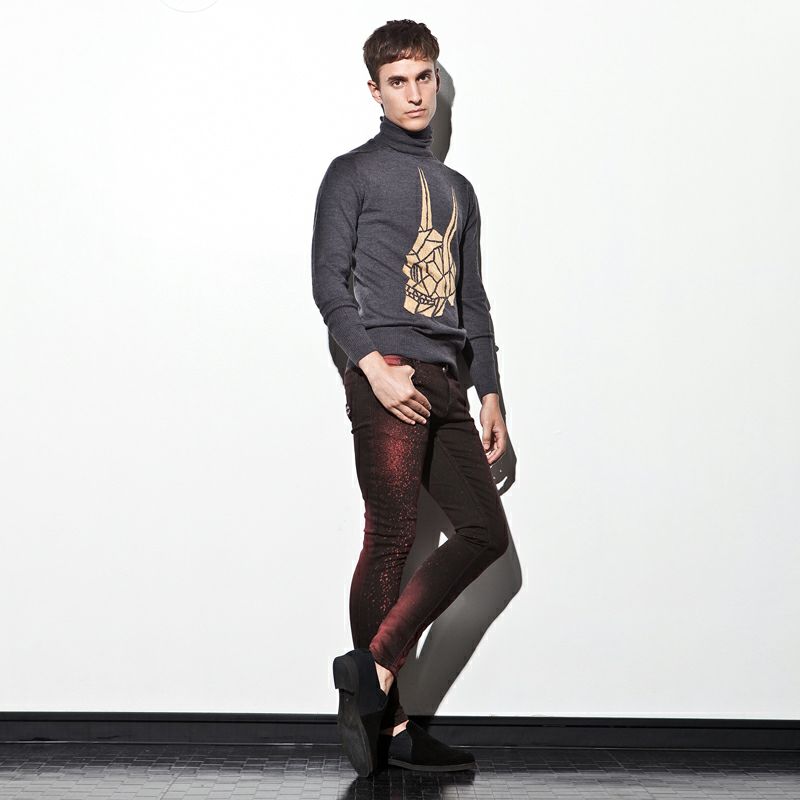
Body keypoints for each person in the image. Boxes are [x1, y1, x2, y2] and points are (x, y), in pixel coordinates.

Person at [311, 19, 510, 777]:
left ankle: (375, 665)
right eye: (399, 82)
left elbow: (472, 299)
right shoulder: (351, 174)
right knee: (392, 536)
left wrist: (490, 393)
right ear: (376, 91)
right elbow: (329, 282)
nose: (415, 93)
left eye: (424, 77)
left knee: (484, 533)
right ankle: (388, 726)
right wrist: (373, 368)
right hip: (388, 369)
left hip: (449, 378)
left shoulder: (459, 191)